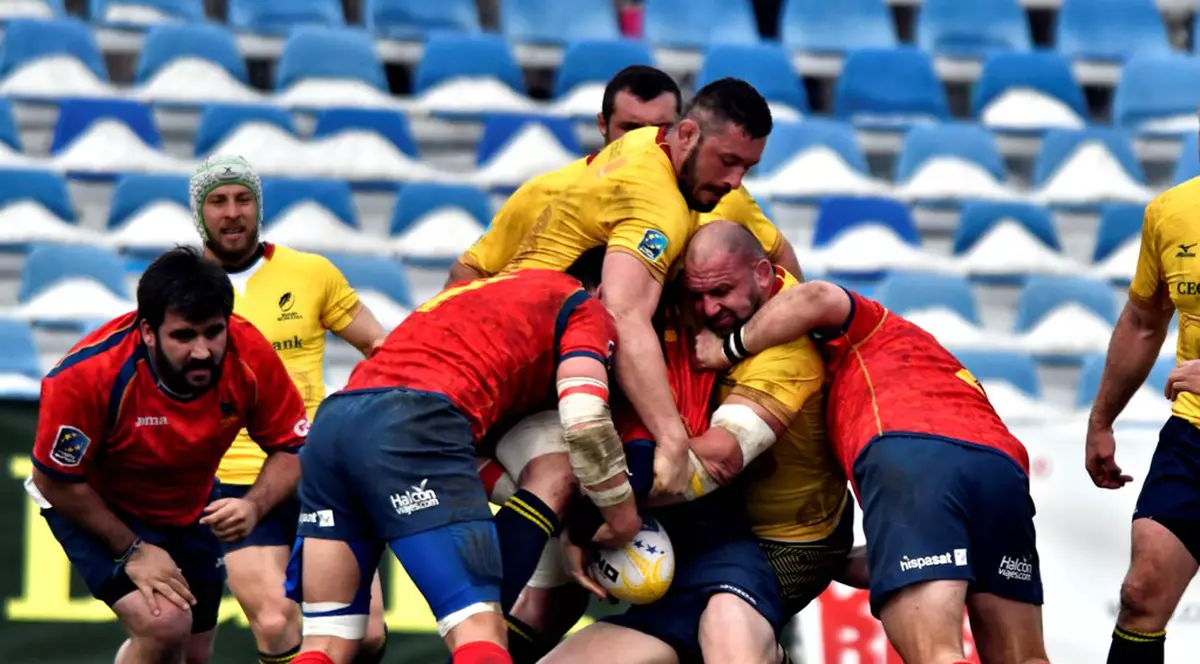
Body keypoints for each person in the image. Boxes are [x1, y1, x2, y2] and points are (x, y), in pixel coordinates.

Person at [692, 252, 1049, 664]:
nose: (710, 308)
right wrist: (828, 560)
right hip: (1000, 465)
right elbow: (922, 542)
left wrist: (727, 350)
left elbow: (816, 298)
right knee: (1025, 659)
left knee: (936, 655)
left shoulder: (863, 329)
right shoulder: (917, 357)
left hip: (908, 447)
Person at [285, 267, 641, 664]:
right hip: (414, 419)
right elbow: (585, 419)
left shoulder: (473, 294)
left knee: (327, 642)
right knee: (479, 631)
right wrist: (621, 516)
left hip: (333, 426)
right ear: (603, 286)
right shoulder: (584, 305)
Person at [25, 247, 309, 664]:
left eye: (213, 332)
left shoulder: (248, 353)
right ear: (147, 331)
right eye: (184, 336)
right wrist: (132, 549)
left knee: (195, 651)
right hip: (98, 505)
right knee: (165, 625)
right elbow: (54, 480)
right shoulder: (85, 377)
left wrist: (254, 505)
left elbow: (292, 446)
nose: (202, 351)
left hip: (188, 504)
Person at [504, 77, 772, 502]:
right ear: (687, 134)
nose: (735, 181)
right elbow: (624, 315)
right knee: (579, 496)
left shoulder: (648, 145)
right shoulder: (657, 204)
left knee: (600, 498)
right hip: (525, 369)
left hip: (535, 348)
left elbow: (779, 253)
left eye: (747, 168)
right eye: (727, 161)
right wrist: (673, 438)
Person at [189, 155, 390, 664]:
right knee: (278, 621)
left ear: (258, 206)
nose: (232, 212)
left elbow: (382, 349)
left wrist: (358, 421)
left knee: (365, 634)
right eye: (217, 201)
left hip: (317, 469)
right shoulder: (180, 288)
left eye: (243, 199)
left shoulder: (311, 273)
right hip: (231, 481)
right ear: (199, 213)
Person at [447, 66, 800, 287]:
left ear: (683, 132)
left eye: (659, 128)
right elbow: (468, 273)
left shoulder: (721, 193)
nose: (643, 140)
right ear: (603, 126)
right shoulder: (546, 192)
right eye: (630, 128)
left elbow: (779, 254)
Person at [1087, 176, 1200, 664]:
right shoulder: (1171, 212)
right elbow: (1143, 322)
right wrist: (1102, 419)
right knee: (1141, 593)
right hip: (1193, 435)